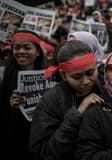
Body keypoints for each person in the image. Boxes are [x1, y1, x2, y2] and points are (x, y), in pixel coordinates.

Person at [29, 40, 103, 160]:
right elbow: (43, 152)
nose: (86, 81)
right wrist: (77, 114)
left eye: (90, 73)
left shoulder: (107, 90)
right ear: (63, 76)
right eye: (77, 77)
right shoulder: (50, 101)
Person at [0, 30, 45, 159]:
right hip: (12, 138)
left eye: (27, 47)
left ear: (37, 52)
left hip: (38, 139)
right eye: (17, 47)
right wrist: (12, 107)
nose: (21, 51)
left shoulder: (48, 78)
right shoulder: (4, 77)